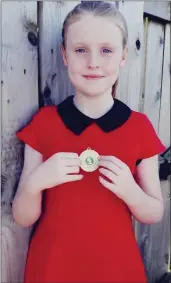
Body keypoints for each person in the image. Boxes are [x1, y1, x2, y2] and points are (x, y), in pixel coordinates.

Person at [12, 1, 166, 282]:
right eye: (81, 50)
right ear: (65, 55)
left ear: (123, 56)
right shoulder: (45, 124)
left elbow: (154, 212)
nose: (93, 62)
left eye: (106, 50)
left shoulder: (139, 127)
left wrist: (129, 190)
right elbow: (23, 216)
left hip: (117, 270)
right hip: (52, 268)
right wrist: (38, 181)